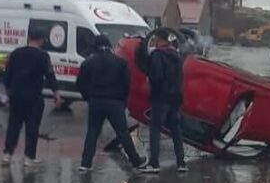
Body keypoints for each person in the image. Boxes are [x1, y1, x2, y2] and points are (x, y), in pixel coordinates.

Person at [76, 34, 147, 172]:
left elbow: (80, 84)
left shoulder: (88, 63)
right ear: (109, 45)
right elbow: (127, 84)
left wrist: (89, 97)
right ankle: (136, 161)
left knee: (92, 132)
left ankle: (85, 163)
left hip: (95, 101)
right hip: (115, 102)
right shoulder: (120, 63)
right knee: (122, 132)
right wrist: (122, 101)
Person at [1, 28, 56, 168]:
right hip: (34, 97)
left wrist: (8, 91)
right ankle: (29, 157)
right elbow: (50, 75)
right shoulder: (43, 56)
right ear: (42, 40)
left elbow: (7, 73)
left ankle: (7, 154)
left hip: (16, 96)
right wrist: (56, 92)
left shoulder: (16, 53)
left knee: (13, 125)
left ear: (29, 38)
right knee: (32, 127)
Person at [146, 30, 187, 173]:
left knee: (155, 129)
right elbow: (181, 78)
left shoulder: (157, 55)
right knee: (176, 130)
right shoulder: (176, 56)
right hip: (175, 98)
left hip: (161, 97)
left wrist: (153, 89)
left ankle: (154, 163)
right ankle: (181, 163)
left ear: (159, 40)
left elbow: (156, 77)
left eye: (155, 39)